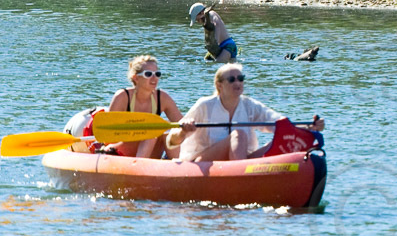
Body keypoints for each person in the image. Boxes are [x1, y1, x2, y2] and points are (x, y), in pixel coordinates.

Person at [175, 63, 324, 162]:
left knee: (280, 140)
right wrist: (182, 131)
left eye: (240, 78)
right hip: (205, 163)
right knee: (238, 134)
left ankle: (247, 177)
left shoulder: (249, 105)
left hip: (243, 161)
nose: (237, 82)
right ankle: (241, 179)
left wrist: (308, 128)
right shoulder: (204, 105)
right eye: (232, 79)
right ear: (219, 85)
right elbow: (172, 141)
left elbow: (279, 123)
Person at [106, 55, 184, 159]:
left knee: (167, 132)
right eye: (148, 74)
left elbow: (180, 124)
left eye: (157, 74)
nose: (154, 78)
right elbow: (108, 136)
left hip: (151, 150)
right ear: (136, 78)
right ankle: (138, 168)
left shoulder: (162, 98)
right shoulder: (122, 97)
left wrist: (187, 126)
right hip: (122, 149)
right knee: (151, 132)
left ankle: (180, 168)